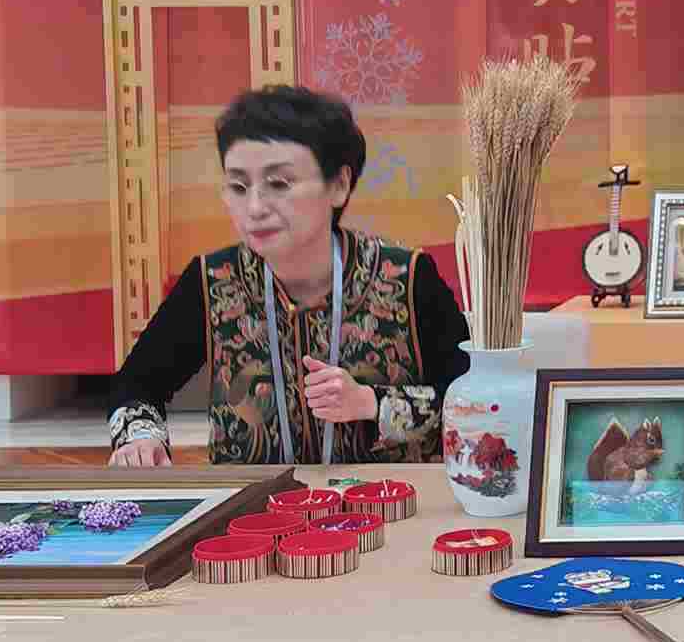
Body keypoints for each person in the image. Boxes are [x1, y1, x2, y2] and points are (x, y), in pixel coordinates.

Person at [108, 86, 471, 465]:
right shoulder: (212, 281)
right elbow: (135, 385)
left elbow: (472, 401)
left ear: (338, 185)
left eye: (279, 184)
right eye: (238, 186)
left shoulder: (407, 278)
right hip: (254, 501)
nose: (255, 207)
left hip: (389, 497)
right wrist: (140, 438)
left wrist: (371, 403)